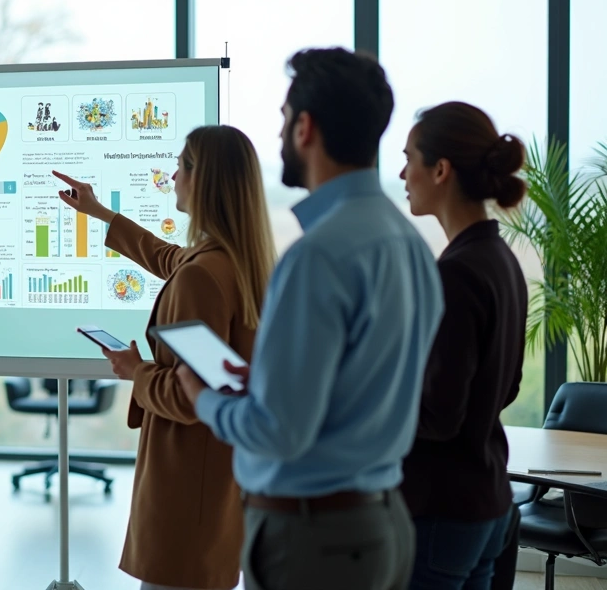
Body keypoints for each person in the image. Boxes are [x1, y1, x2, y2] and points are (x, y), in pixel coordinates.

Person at [176, 47, 445, 590]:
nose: (277, 136)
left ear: (305, 127)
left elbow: (278, 432)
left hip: (315, 540)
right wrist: (271, 384)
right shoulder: (409, 244)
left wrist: (199, 395)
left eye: (281, 119)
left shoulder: (318, 255)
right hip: (381, 524)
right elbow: (361, 384)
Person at [54, 125, 276, 590]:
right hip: (218, 483)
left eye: (181, 166)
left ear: (202, 180)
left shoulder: (203, 276)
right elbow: (167, 256)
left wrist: (137, 371)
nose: (172, 176)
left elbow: (195, 394)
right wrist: (99, 213)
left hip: (185, 490)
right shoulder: (236, 261)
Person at [398, 102, 528, 589]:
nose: (402, 172)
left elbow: (439, 415)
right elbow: (506, 387)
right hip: (487, 499)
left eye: (409, 157)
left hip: (441, 510)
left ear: (440, 169)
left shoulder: (455, 273)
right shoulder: (501, 259)